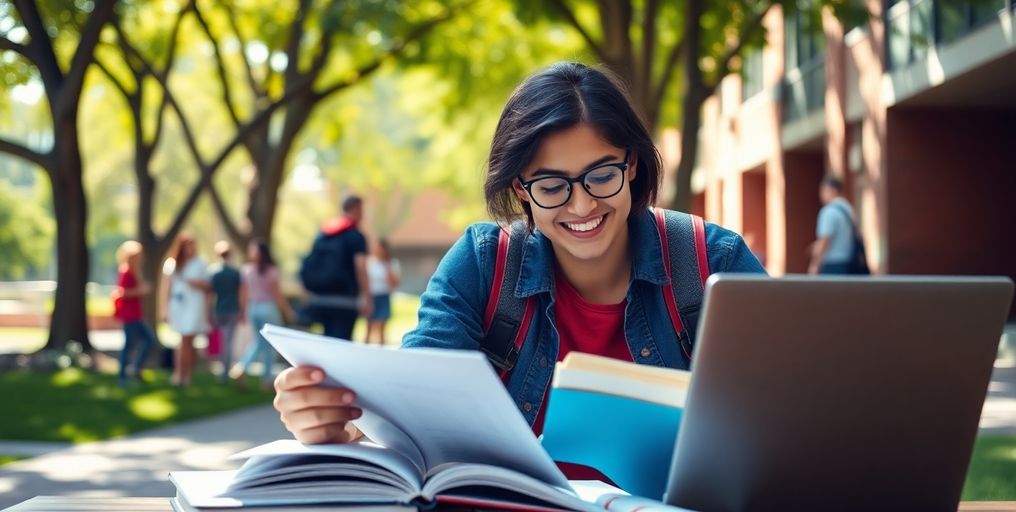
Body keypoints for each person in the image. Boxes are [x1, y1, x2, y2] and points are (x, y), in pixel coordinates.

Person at [273, 62, 765, 449]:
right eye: (552, 186)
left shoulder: (711, 261)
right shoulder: (483, 265)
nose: (581, 205)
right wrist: (343, 422)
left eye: (600, 175)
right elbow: (417, 394)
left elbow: (786, 409)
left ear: (632, 164)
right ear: (520, 189)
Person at [300, 195, 372, 340]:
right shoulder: (356, 236)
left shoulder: (324, 234)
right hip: (344, 302)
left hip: (320, 300)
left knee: (326, 341)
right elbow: (361, 267)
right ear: (356, 209)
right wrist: (367, 296)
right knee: (341, 344)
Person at [232, 239, 294, 390]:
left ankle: (257, 375)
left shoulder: (246, 270)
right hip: (268, 308)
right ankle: (260, 375)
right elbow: (278, 294)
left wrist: (242, 311)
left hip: (253, 308)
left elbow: (243, 294)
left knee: (260, 342)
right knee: (269, 343)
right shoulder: (271, 271)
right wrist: (287, 310)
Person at [164, 234, 210, 387]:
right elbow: (166, 288)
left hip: (194, 304)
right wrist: (164, 309)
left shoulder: (200, 263)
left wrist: (195, 283)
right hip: (178, 305)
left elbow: (208, 285)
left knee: (188, 340)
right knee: (182, 340)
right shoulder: (173, 264)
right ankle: (179, 373)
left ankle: (186, 374)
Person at [112, 240, 158, 387]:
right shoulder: (126, 271)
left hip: (136, 314)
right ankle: (123, 376)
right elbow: (122, 292)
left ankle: (135, 369)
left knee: (148, 340)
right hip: (130, 315)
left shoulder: (135, 271)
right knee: (130, 345)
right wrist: (141, 290)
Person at [208, 240, 243, 383]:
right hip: (232, 309)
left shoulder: (213, 272)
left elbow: (210, 294)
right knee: (227, 341)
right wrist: (242, 310)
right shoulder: (235, 272)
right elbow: (241, 293)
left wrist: (208, 312)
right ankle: (224, 373)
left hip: (219, 309)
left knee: (222, 340)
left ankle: (223, 371)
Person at [808, 176, 856, 274]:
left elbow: (825, 239)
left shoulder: (829, 211)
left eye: (823, 191)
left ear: (832, 190)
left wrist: (815, 264)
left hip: (832, 263)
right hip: (848, 261)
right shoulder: (848, 209)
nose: (821, 195)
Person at [365, 238, 400, 345]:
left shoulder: (392, 263)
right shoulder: (369, 262)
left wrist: (387, 268)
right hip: (371, 296)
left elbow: (394, 283)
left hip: (384, 295)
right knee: (369, 326)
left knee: (382, 327)